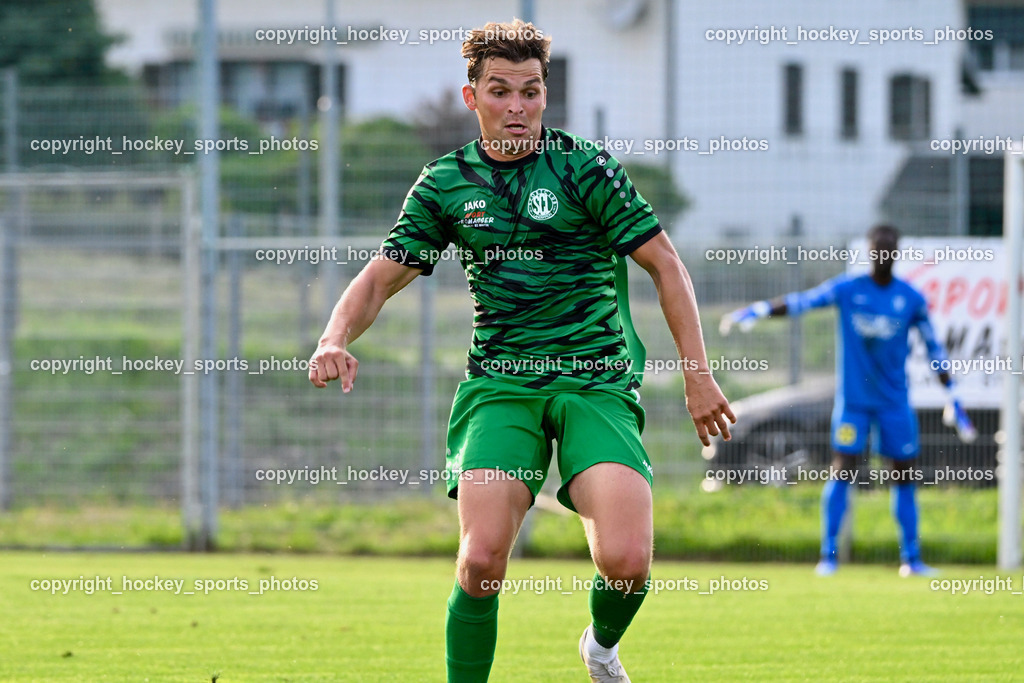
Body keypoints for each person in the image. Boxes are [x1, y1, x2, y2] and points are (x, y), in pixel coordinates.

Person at [308, 18, 734, 683]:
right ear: (471, 96)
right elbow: (379, 277)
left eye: (531, 91)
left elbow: (666, 265)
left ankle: (599, 648)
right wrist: (333, 336)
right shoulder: (447, 183)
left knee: (627, 564)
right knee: (480, 562)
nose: (518, 107)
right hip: (502, 386)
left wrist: (697, 376)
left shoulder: (584, 168)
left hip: (595, 381)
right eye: (501, 91)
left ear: (545, 94)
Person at [721, 225, 976, 578]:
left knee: (903, 475)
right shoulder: (849, 289)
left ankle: (911, 560)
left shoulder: (910, 299)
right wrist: (762, 309)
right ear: (870, 252)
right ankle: (828, 556)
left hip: (894, 404)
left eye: (889, 248)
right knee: (842, 469)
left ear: (896, 252)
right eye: (877, 248)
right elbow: (803, 302)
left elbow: (934, 348)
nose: (882, 254)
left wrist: (955, 396)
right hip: (854, 403)